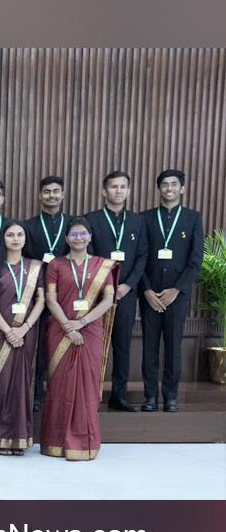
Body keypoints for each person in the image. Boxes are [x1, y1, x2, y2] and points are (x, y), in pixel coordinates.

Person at [41, 217, 115, 460]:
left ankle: (85, 442)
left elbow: (108, 299)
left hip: (90, 330)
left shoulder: (102, 265)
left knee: (87, 383)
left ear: (90, 237)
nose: (79, 238)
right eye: (74, 234)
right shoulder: (56, 265)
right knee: (60, 384)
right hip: (60, 330)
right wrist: (68, 326)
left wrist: (81, 323)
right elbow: (51, 300)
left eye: (83, 233)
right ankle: (55, 442)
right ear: (66, 238)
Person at [139, 169, 204, 413]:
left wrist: (176, 290)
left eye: (174, 184)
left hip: (177, 295)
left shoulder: (192, 218)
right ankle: (150, 397)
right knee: (149, 347)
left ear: (182, 189)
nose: (169, 188)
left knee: (173, 346)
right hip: (150, 295)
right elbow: (140, 257)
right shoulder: (145, 218)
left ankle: (170, 397)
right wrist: (146, 290)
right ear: (159, 189)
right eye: (164, 184)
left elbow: (195, 261)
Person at [85, 171, 148, 411]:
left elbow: (142, 256)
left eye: (123, 187)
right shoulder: (91, 219)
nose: (118, 191)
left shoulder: (137, 221)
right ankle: (90, 394)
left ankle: (119, 395)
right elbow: (88, 256)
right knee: (93, 345)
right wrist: (106, 287)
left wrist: (127, 285)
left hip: (126, 293)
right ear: (104, 191)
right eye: (113, 187)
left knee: (122, 346)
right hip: (97, 295)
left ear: (128, 191)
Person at [0, 221, 45, 455]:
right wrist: (8, 330)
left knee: (22, 383)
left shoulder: (35, 267)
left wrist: (24, 327)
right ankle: (0, 437)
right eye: (10, 235)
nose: (16, 239)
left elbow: (40, 300)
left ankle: (19, 437)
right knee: (0, 383)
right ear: (3, 238)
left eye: (20, 234)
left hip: (26, 333)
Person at [23, 175, 73, 411]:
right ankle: (36, 394)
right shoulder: (28, 226)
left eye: (56, 191)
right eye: (47, 191)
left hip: (67, 295)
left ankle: (63, 395)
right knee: (39, 347)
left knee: (65, 344)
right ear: (39, 195)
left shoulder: (74, 225)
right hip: (37, 296)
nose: (52, 195)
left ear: (63, 194)